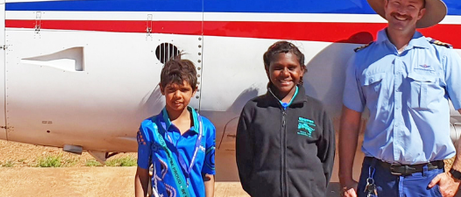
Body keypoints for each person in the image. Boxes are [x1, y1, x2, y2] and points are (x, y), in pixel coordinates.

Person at [338, 0, 461, 197]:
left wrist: (456, 174)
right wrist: (345, 178)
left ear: (421, 13)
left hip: (425, 181)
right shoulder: (362, 60)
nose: (402, 11)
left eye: (411, 6)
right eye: (396, 2)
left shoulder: (442, 57)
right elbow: (349, 123)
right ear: (386, 6)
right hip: (376, 178)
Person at [236, 41, 336, 197]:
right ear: (267, 70)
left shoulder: (317, 110)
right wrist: (259, 188)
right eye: (277, 68)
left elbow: (326, 158)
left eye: (291, 67)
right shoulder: (253, 110)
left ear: (301, 71)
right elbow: (244, 159)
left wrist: (313, 188)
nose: (285, 73)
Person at [136, 59, 217, 197]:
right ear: (162, 89)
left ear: (194, 91)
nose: (178, 95)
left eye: (184, 90)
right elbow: (141, 175)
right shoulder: (150, 128)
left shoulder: (206, 129)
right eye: (171, 89)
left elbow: (208, 175)